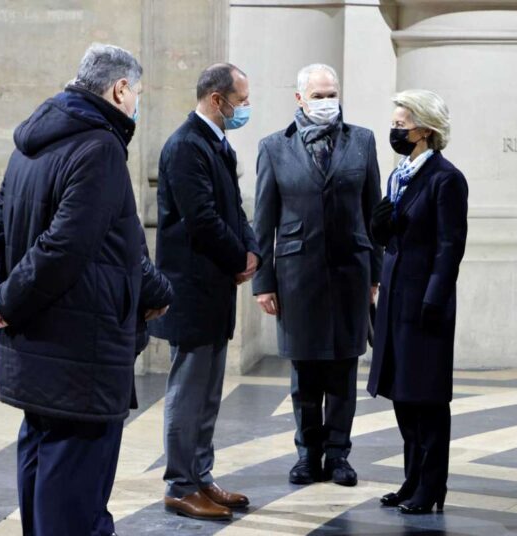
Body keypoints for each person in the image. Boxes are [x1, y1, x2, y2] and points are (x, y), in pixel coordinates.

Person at [0, 43, 169, 535]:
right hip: (81, 351)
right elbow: (65, 247)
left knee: (42, 464)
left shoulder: (33, 140)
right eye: (137, 92)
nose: (136, 102)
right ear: (120, 88)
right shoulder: (98, 146)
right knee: (76, 492)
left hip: (38, 347)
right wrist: (7, 300)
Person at [253, 63, 382, 487]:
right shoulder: (274, 147)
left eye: (332, 93)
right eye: (319, 95)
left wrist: (376, 275)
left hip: (350, 272)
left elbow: (374, 214)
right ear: (300, 99)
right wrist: (263, 282)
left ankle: (339, 455)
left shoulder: (361, 141)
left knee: (344, 369)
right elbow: (263, 221)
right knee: (305, 372)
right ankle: (307, 454)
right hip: (297, 274)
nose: (328, 101)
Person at [150, 63, 259, 521]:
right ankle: (179, 485)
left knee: (209, 393)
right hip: (193, 291)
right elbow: (203, 220)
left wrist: (251, 249)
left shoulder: (216, 145)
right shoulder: (184, 146)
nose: (245, 108)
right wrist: (241, 259)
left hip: (214, 290)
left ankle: (201, 475)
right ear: (217, 99)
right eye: (242, 100)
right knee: (188, 391)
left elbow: (233, 210)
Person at [367, 89, 468, 515]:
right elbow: (394, 235)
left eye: (400, 125)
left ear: (425, 130)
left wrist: (433, 300)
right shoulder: (401, 174)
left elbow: (450, 247)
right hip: (394, 298)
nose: (394, 131)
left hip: (425, 304)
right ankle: (411, 481)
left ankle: (431, 487)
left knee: (427, 399)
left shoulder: (446, 179)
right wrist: (380, 226)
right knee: (404, 395)